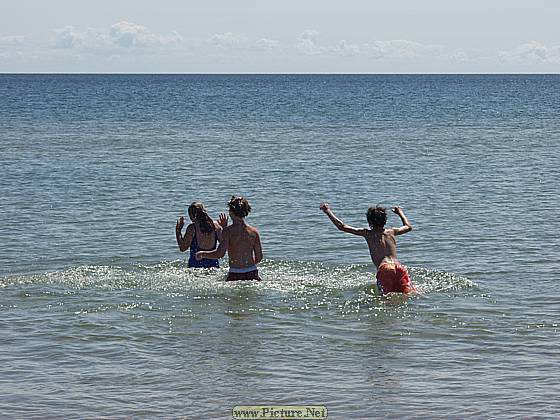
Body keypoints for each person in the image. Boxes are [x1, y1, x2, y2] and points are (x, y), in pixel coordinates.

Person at [320, 202, 416, 295]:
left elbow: (342, 226)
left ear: (369, 222)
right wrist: (400, 212)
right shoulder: (392, 232)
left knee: (386, 300)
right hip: (399, 267)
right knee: (409, 294)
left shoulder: (368, 234)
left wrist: (327, 211)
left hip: (384, 268)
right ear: (385, 220)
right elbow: (408, 227)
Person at [196, 196, 263, 281]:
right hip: (252, 272)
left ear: (231, 212)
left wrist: (202, 254)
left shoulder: (228, 231)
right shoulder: (254, 232)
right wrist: (247, 267)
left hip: (235, 273)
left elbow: (220, 254)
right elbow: (259, 257)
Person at [176, 202, 227, 268]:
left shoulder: (192, 228)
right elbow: (225, 246)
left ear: (192, 215)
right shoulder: (216, 226)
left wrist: (178, 230)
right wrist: (224, 228)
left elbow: (182, 248)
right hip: (213, 267)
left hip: (195, 268)